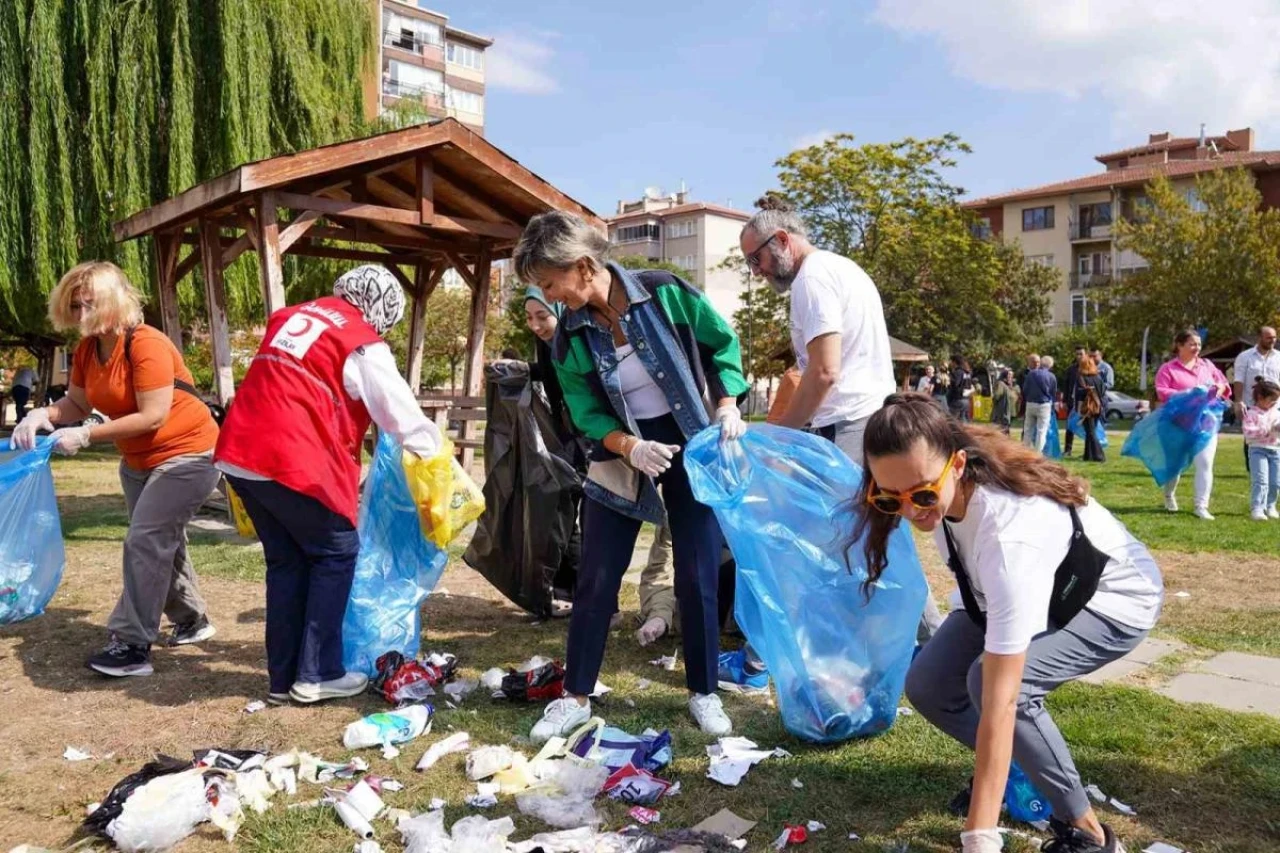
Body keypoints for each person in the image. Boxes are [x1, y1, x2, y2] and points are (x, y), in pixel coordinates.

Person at [849, 394, 1163, 853]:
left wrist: (979, 838)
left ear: (956, 465)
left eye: (921, 494)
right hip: (1027, 589)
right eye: (888, 497)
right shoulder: (938, 489)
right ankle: (1020, 769)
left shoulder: (1008, 531)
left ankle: (1090, 833)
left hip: (1115, 599)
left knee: (994, 687)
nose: (912, 510)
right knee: (928, 683)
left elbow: (1003, 699)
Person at [514, 211, 748, 741]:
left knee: (696, 568)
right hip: (623, 449)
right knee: (598, 570)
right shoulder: (570, 336)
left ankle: (703, 691)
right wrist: (629, 446)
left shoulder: (666, 294)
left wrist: (728, 402)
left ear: (582, 266)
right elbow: (584, 411)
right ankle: (575, 695)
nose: (552, 297)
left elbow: (721, 344)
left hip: (691, 441)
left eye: (552, 284)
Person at [215, 265, 443, 705]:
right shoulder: (360, 341)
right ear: (381, 310)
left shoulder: (290, 317)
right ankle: (319, 673)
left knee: (287, 562)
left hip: (240, 452)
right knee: (335, 551)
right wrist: (435, 456)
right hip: (291, 458)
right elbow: (399, 412)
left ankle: (282, 679)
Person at [738, 198, 941, 672]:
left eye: (758, 258)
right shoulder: (841, 269)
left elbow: (825, 371)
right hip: (866, 419)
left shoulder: (813, 279)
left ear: (783, 240)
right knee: (873, 538)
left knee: (815, 537)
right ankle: (932, 641)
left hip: (849, 425)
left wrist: (782, 435)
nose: (756, 271)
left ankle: (764, 656)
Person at [13, 261, 221, 677]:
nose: (80, 313)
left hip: (190, 454)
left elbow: (154, 416)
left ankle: (131, 644)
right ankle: (192, 620)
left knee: (145, 540)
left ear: (112, 302)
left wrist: (88, 436)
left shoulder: (147, 343)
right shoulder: (89, 349)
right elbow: (76, 404)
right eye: (74, 304)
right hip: (138, 461)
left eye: (88, 303)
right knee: (162, 540)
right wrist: (42, 415)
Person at [1154, 329, 1231, 520]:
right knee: (1175, 465)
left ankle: (1201, 506)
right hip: (1177, 423)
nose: (1197, 348)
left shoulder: (1207, 365)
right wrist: (1188, 393)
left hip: (1205, 422)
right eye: (1192, 344)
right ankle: (1169, 494)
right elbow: (1161, 391)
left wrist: (1218, 388)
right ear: (1180, 346)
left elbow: (1224, 385)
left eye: (1198, 344)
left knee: (1205, 464)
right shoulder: (1168, 368)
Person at [1232, 326, 1280, 471]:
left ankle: (1274, 467)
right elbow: (1239, 379)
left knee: (1276, 434)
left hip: (1275, 405)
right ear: (1259, 338)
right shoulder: (1245, 357)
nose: (1273, 340)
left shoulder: (1279, 357)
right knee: (1252, 436)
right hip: (1252, 405)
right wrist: (1238, 401)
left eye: (1274, 337)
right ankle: (1254, 468)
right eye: (1268, 337)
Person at [1242, 378, 1280, 521]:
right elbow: (1249, 432)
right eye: (1272, 400)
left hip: (1275, 449)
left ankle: (1270, 506)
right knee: (1261, 480)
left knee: (1275, 481)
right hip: (1258, 450)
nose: (1274, 403)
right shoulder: (1251, 414)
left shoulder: (1276, 413)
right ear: (1260, 398)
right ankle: (1257, 508)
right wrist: (1267, 429)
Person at [1020, 355, 1057, 453]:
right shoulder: (1051, 376)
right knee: (1041, 431)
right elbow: (1053, 393)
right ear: (1050, 366)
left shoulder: (1031, 374)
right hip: (1044, 404)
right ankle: (1037, 453)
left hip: (1030, 403)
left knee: (1028, 429)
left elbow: (1025, 389)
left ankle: (1024, 451)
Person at [1075, 355, 1107, 463]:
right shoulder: (1098, 378)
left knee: (1091, 432)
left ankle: (1099, 456)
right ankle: (1087, 455)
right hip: (1098, 407)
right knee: (1090, 431)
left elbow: (1079, 395)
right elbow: (1103, 393)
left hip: (1087, 408)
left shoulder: (1081, 378)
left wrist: (1078, 410)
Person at [1060, 347, 1086, 456]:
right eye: (1077, 354)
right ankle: (1068, 449)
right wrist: (1065, 401)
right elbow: (1066, 386)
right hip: (1072, 402)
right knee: (1070, 426)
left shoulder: (1089, 368)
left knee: (1087, 427)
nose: (1079, 356)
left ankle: (1087, 451)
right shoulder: (1071, 369)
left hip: (1085, 403)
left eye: (1081, 354)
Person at [947, 356, 974, 422]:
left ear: (954, 362)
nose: (950, 363)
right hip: (966, 399)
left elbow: (955, 384)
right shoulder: (967, 372)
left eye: (951, 361)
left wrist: (950, 380)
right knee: (963, 420)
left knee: (951, 420)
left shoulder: (958, 372)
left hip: (957, 399)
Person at [989, 369, 1015, 436]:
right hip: (1001, 413)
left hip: (1006, 413)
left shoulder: (1008, 386)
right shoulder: (1001, 384)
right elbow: (997, 395)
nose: (1010, 378)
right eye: (1008, 376)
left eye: (1011, 377)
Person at [1015, 354, 1039, 421]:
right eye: (1034, 362)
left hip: (1039, 403)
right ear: (1029, 362)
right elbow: (1020, 387)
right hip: (1027, 402)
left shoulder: (1042, 373)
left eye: (1038, 362)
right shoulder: (1022, 374)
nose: (1037, 364)